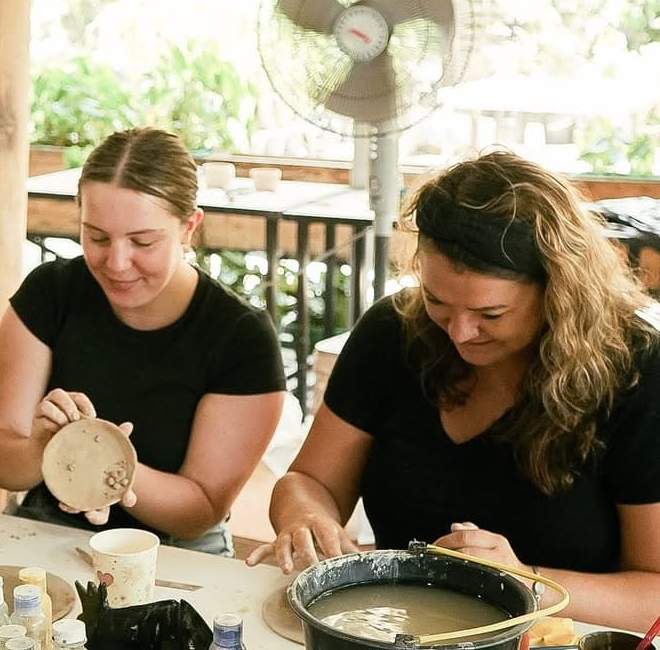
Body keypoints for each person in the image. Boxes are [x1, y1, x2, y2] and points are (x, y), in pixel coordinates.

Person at [246, 151, 660, 630]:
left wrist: (522, 581)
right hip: (398, 627)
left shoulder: (637, 369)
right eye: (437, 300)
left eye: (490, 315)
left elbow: (652, 591)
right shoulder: (393, 330)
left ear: (558, 290)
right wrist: (306, 516)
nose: (460, 333)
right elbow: (309, 481)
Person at [0, 128, 286, 555]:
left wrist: (109, 466)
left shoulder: (240, 336)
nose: (117, 263)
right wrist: (41, 448)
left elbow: (202, 510)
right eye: (97, 237)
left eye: (143, 241)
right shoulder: (51, 292)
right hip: (50, 526)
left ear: (188, 227)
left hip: (179, 547)